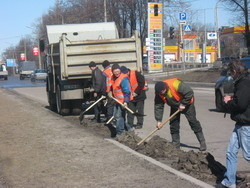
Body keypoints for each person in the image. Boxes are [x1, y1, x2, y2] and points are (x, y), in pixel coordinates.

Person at [216, 60, 250, 188]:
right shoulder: (242, 82)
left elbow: (240, 105)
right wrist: (232, 99)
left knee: (248, 155)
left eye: (231, 72)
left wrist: (227, 102)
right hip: (240, 123)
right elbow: (241, 100)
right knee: (230, 152)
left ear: (235, 71)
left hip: (246, 125)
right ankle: (229, 181)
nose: (230, 74)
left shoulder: (244, 84)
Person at [154, 78, 207, 151]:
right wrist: (158, 120)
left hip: (187, 103)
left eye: (163, 90)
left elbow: (189, 92)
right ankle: (176, 144)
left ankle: (202, 142)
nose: (162, 93)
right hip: (175, 105)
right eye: (160, 92)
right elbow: (158, 106)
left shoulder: (175, 84)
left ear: (165, 87)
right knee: (173, 123)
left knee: (193, 121)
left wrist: (183, 104)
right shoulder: (158, 93)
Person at [109, 63, 133, 136]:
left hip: (123, 101)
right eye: (115, 72)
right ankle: (129, 129)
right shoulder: (113, 78)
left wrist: (125, 101)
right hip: (117, 100)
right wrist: (110, 92)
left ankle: (120, 133)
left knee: (119, 116)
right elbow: (113, 87)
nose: (117, 73)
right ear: (112, 72)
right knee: (116, 116)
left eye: (118, 71)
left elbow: (127, 91)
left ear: (120, 71)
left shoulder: (123, 79)